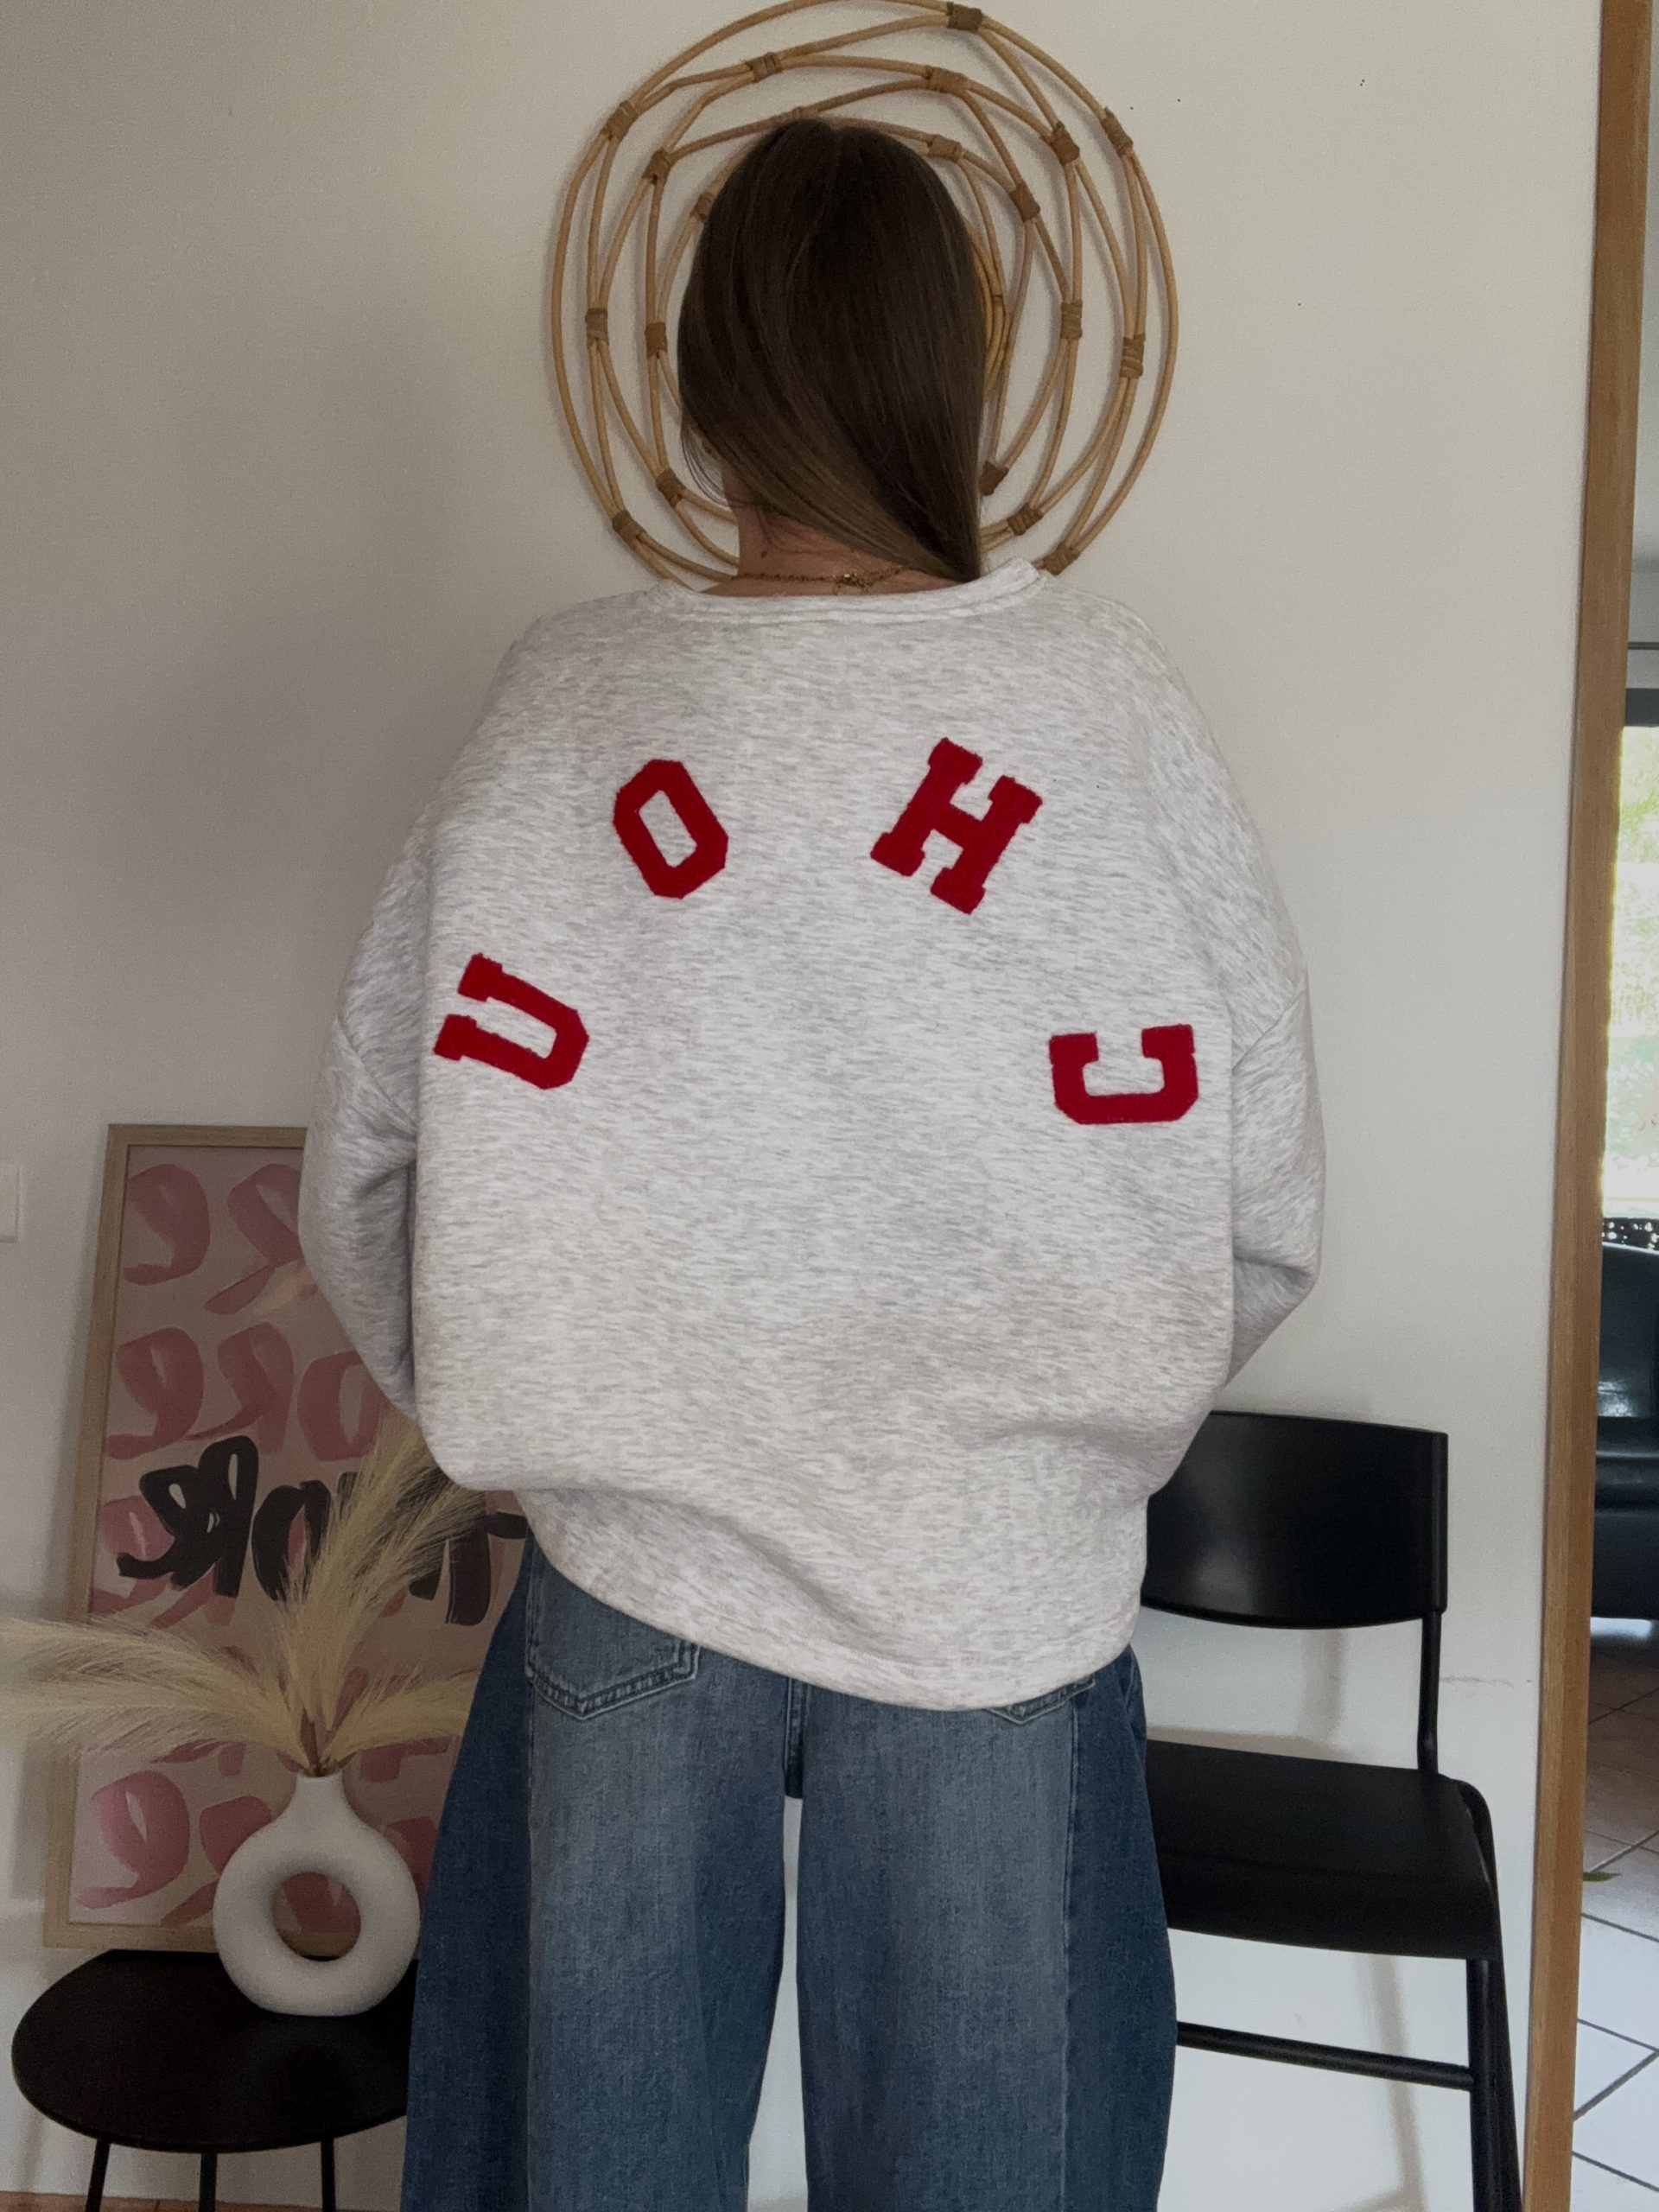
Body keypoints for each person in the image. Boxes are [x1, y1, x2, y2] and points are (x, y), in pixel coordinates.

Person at [298, 115, 1324, 2212]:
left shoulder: (563, 703)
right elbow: (1263, 1202)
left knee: (586, 2175)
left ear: (702, 382)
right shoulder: (1105, 708)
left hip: (631, 1570)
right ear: (959, 376)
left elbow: (373, 1167)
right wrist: (1052, 1453)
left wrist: (549, 1408)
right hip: (996, 1600)